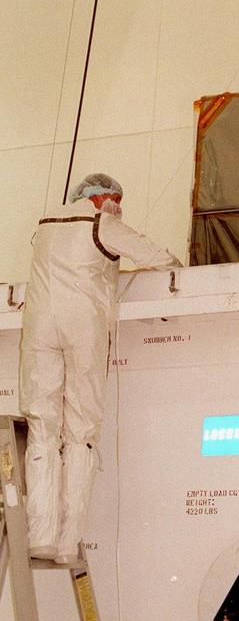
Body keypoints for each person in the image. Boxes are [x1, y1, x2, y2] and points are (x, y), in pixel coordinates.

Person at [19, 174, 182, 564]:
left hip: (39, 327)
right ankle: (66, 542)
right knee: (81, 431)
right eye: (118, 199)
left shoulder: (44, 225)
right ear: (104, 198)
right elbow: (161, 259)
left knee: (43, 427)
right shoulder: (101, 224)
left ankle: (39, 535)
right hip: (83, 329)